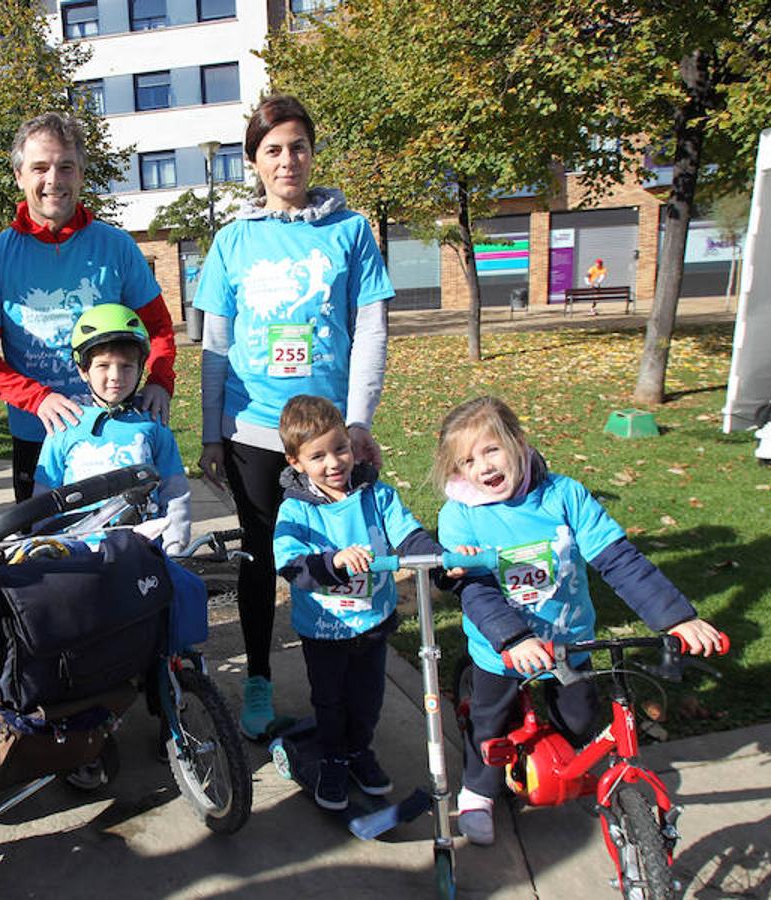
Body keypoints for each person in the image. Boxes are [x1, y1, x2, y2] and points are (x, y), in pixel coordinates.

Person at [432, 395, 725, 846]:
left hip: (570, 638)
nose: (483, 467)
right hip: (503, 646)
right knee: (490, 722)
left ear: (518, 442)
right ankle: (479, 792)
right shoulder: (460, 516)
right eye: (467, 460)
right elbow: (475, 589)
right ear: (456, 470)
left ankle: (558, 766)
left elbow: (618, 560)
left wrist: (676, 619)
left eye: (491, 450)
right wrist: (513, 639)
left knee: (578, 715)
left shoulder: (564, 495)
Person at [194, 94, 395, 739]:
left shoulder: (351, 231)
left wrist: (359, 421)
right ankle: (257, 677)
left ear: (313, 153)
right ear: (253, 161)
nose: (288, 160)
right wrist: (209, 432)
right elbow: (216, 345)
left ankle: (333, 679)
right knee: (259, 557)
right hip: (253, 429)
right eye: (273, 150)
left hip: (328, 437)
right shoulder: (232, 240)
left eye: (299, 147)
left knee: (339, 553)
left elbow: (370, 330)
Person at [273, 395, 484, 809]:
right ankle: (332, 756)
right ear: (296, 463)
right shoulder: (296, 511)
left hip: (372, 622)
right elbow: (291, 564)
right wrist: (332, 561)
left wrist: (443, 561)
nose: (334, 463)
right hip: (325, 630)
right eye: (318, 456)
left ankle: (358, 751)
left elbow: (409, 535)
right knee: (330, 700)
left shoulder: (376, 496)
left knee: (367, 698)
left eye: (340, 449)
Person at [0, 111, 177, 502]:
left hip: (116, 433)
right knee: (41, 552)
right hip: (38, 436)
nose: (53, 180)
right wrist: (36, 397)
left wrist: (160, 381)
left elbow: (159, 328)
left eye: (66, 167)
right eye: (40, 167)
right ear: (19, 176)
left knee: (125, 549)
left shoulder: (117, 247)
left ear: (80, 175)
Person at [33, 304, 191, 552]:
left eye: (127, 366)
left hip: (143, 551)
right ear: (83, 370)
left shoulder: (152, 423)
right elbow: (44, 498)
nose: (116, 375)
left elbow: (174, 492)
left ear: (141, 368)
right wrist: (46, 547)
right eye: (103, 365)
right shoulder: (65, 424)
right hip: (79, 554)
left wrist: (174, 547)